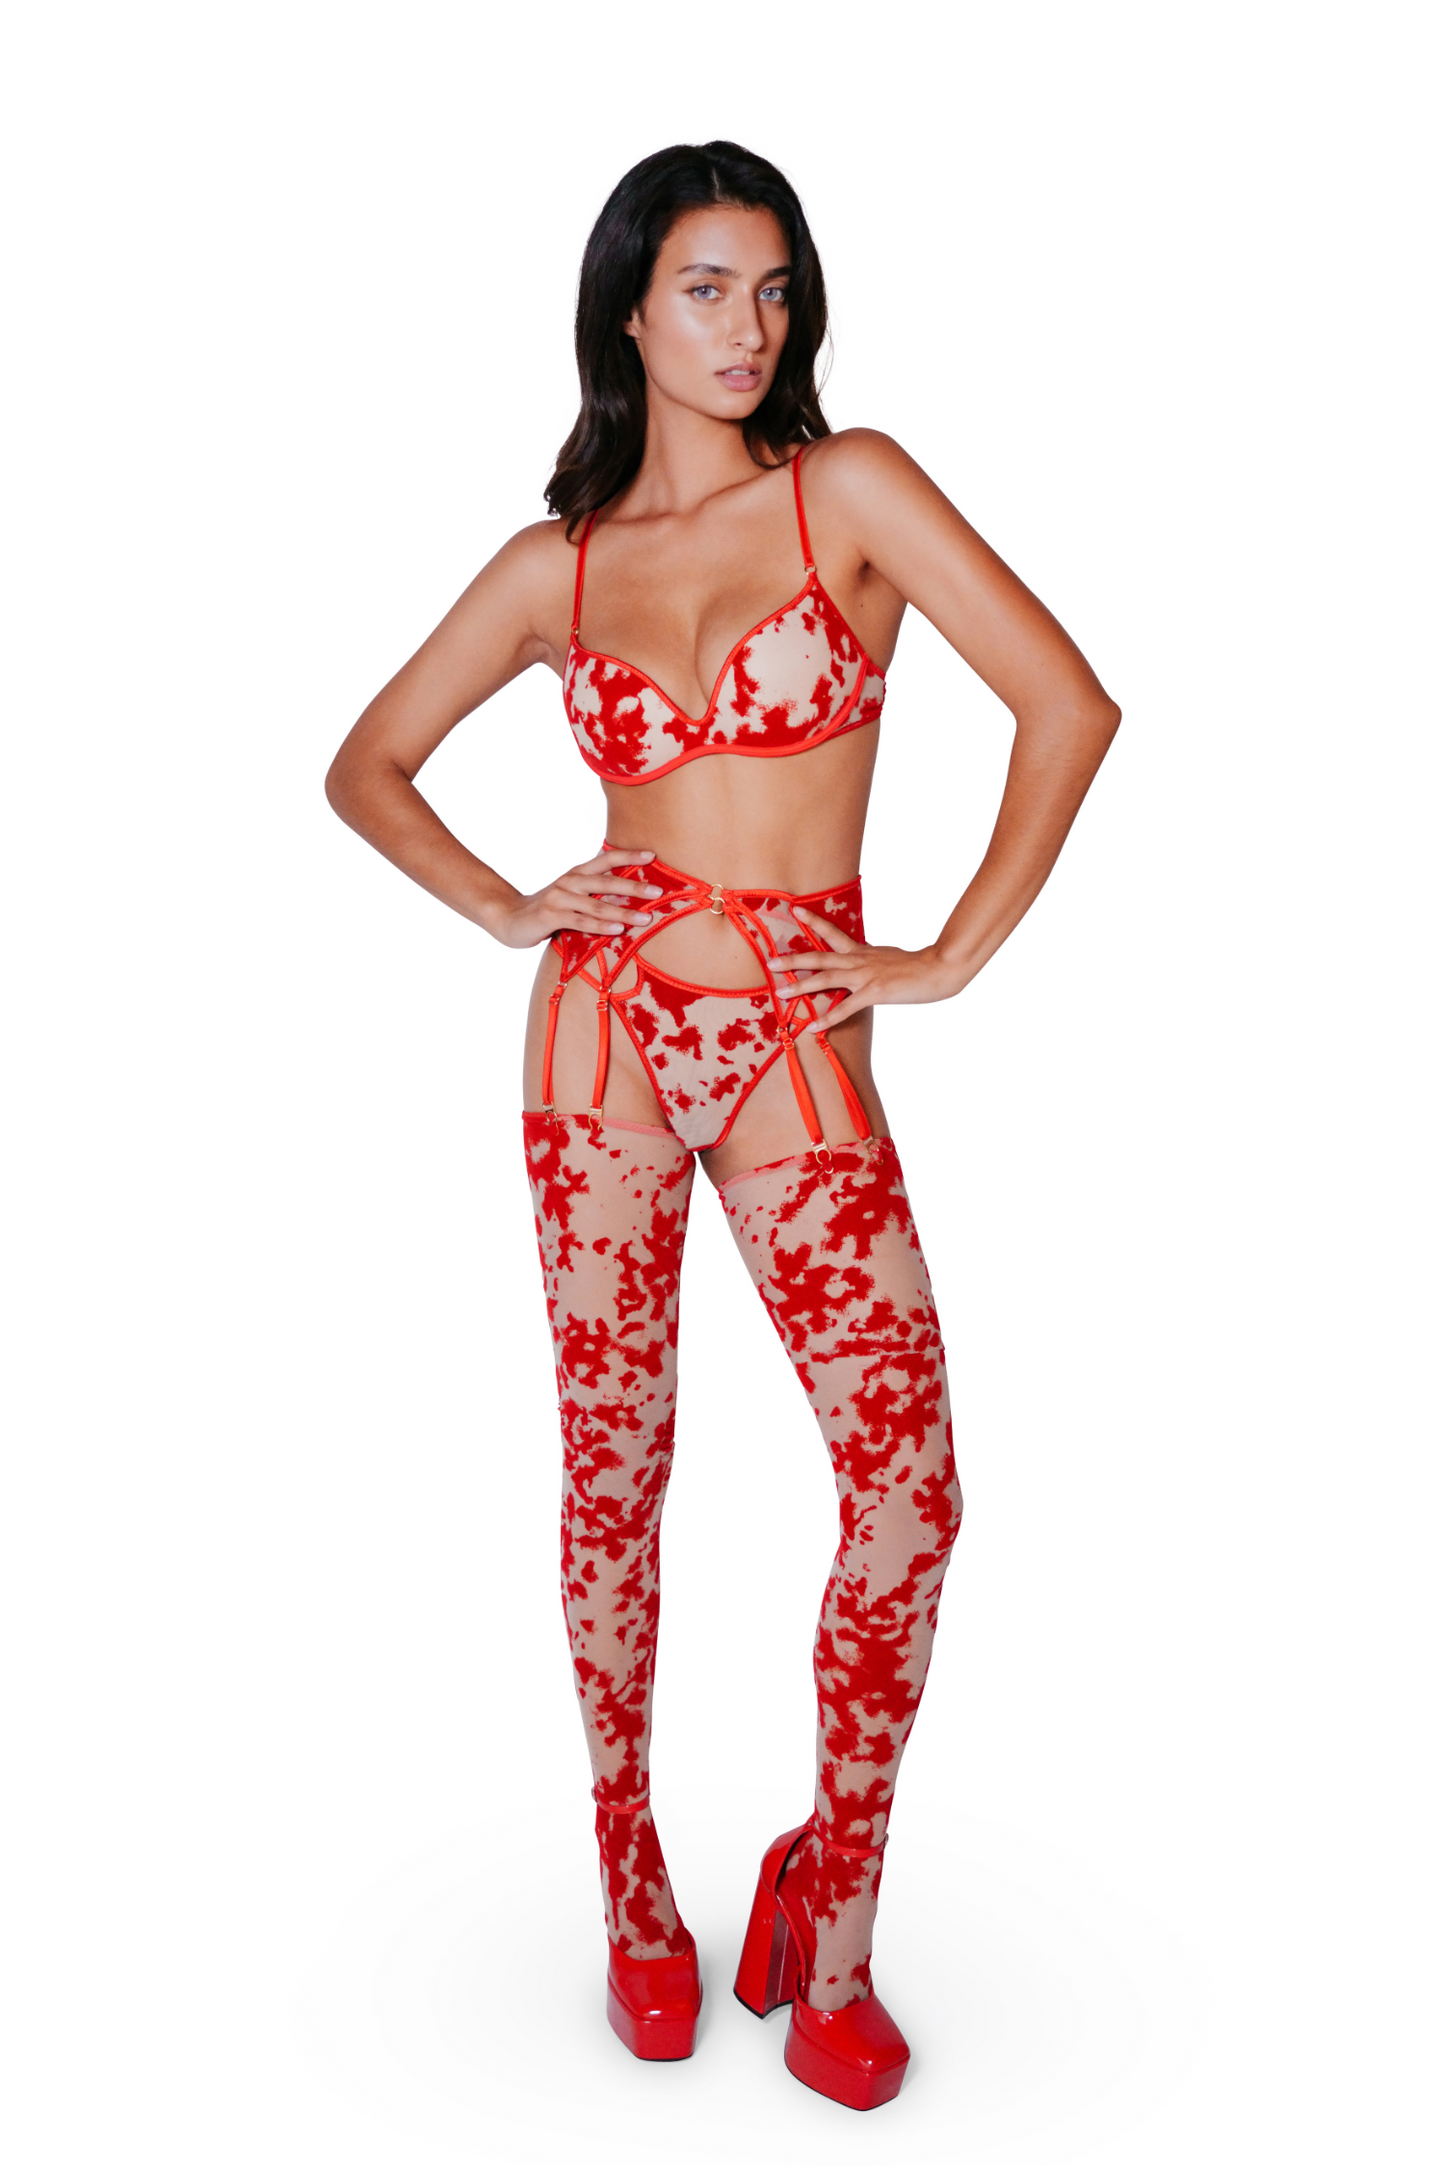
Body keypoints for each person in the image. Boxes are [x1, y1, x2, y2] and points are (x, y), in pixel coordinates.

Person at [325, 140, 1120, 2111]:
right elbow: (367, 762)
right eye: (704, 287)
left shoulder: (850, 492)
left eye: (772, 289)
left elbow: (1068, 705)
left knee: (908, 1486)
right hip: (595, 1032)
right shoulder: (559, 567)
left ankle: (826, 1915)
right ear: (627, 309)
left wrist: (944, 955)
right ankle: (631, 1893)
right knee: (614, 1480)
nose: (747, 325)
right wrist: (511, 903)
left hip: (789, 1035)